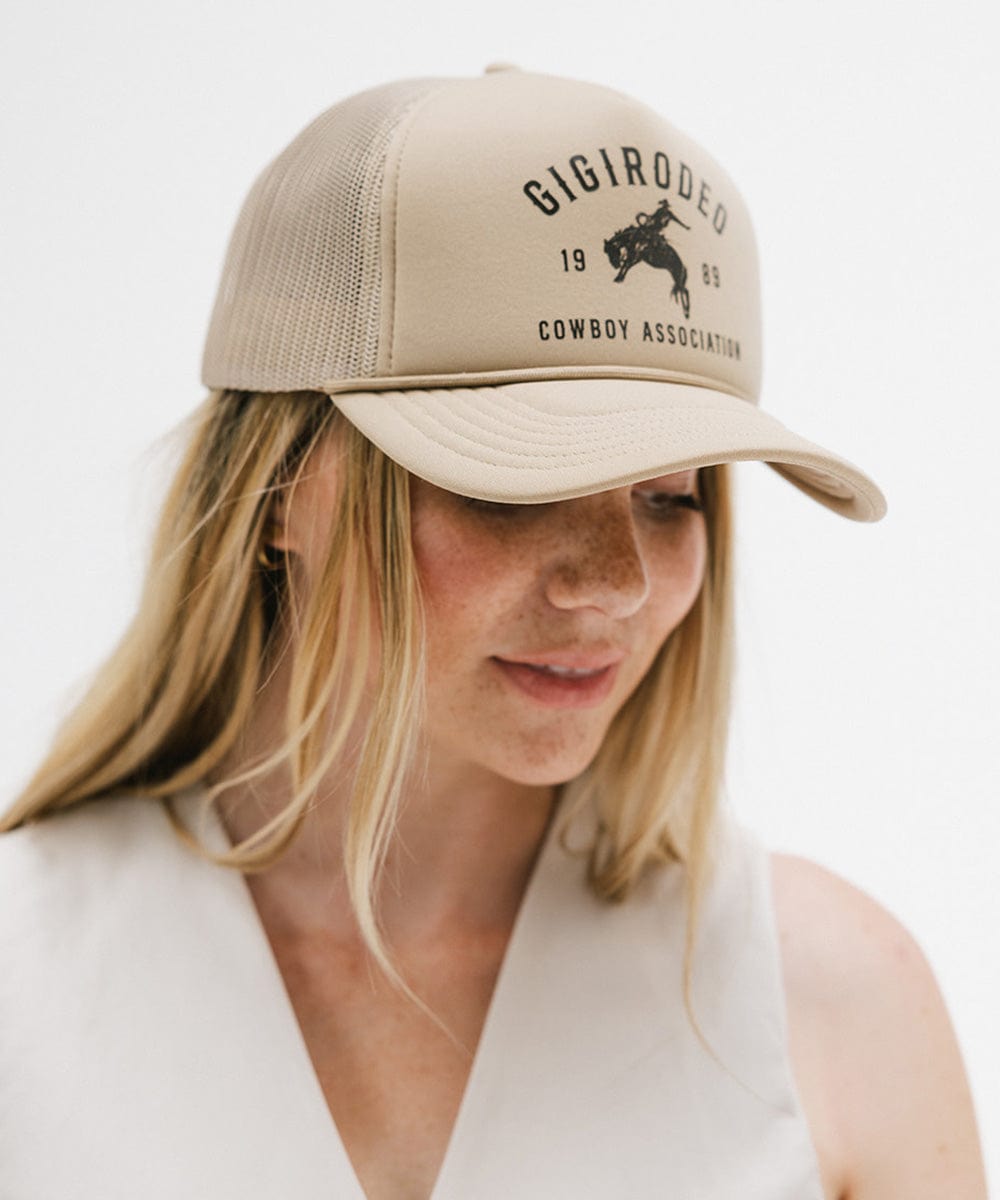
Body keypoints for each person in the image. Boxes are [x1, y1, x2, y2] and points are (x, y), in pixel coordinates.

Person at [0, 65, 987, 1200]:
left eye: (670, 495)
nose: (614, 586)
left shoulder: (835, 1006)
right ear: (278, 492)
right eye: (510, 486)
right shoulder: (21, 982)